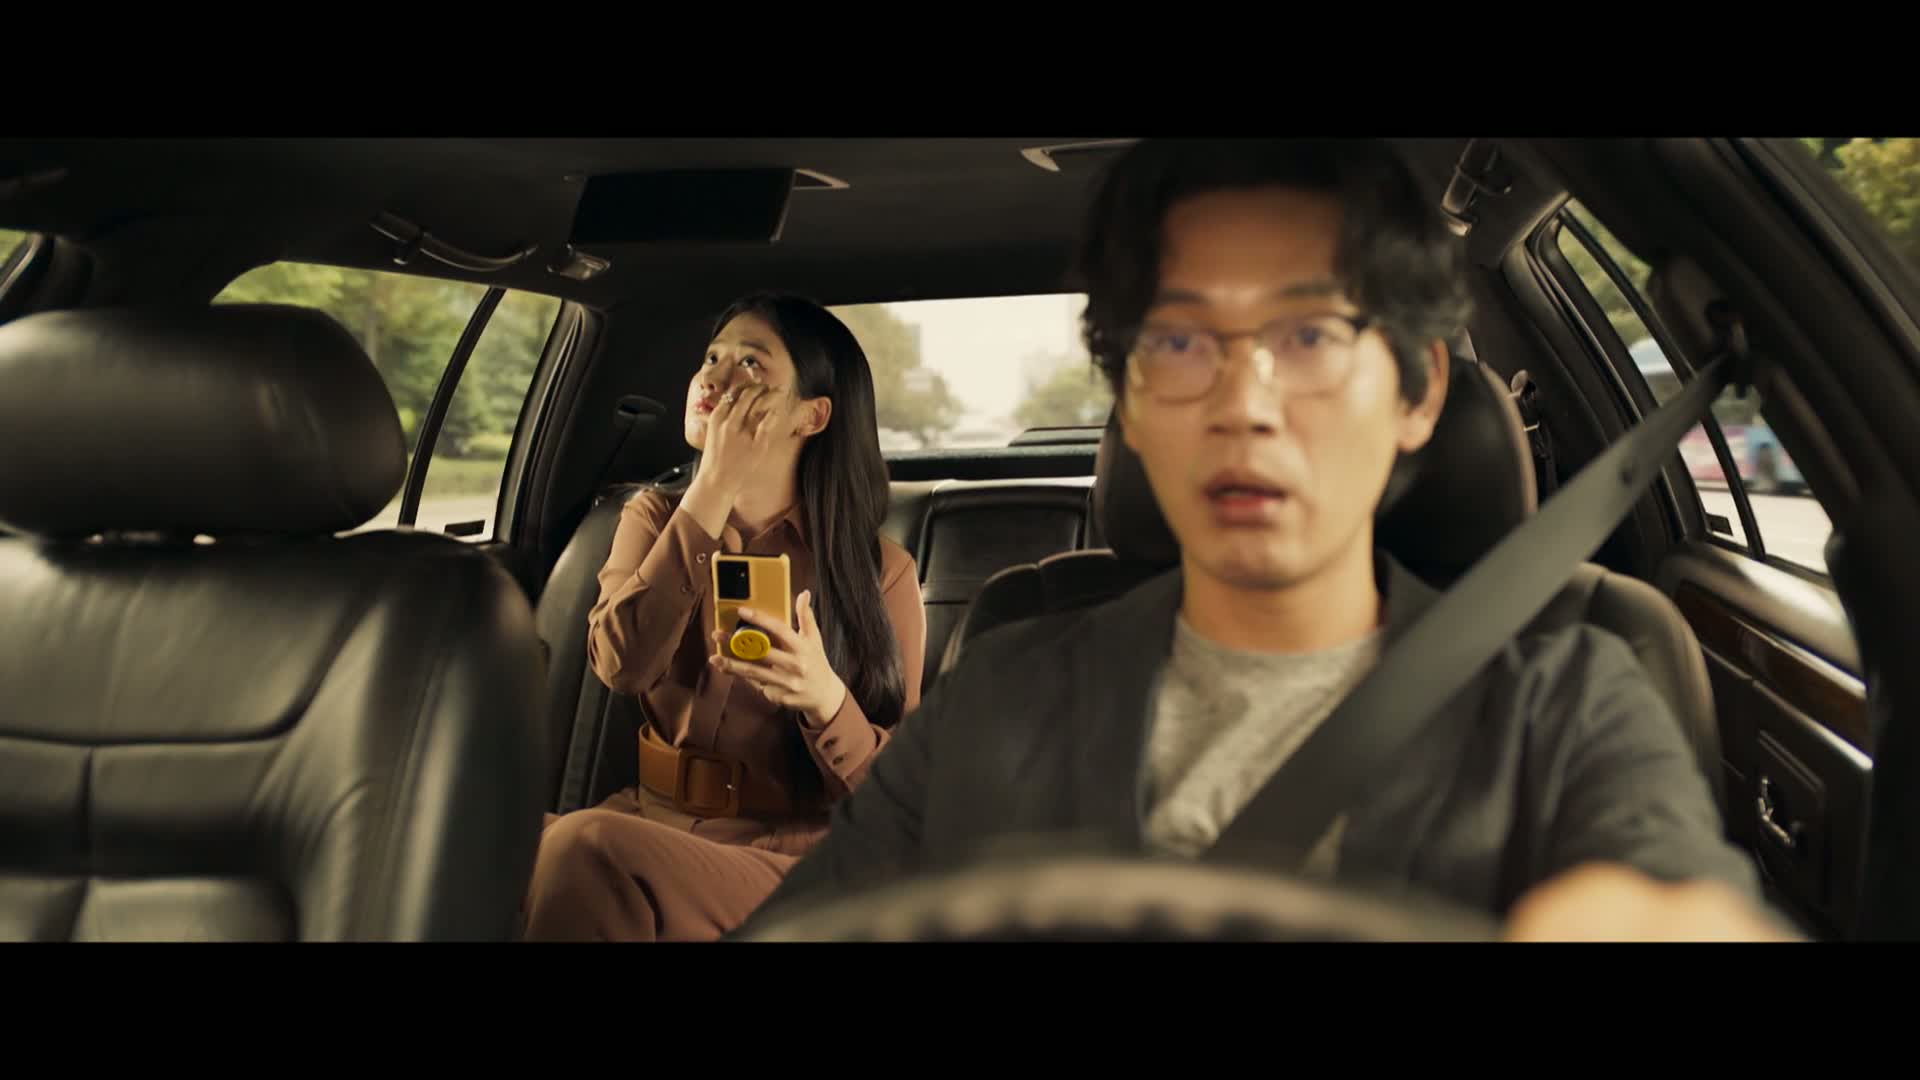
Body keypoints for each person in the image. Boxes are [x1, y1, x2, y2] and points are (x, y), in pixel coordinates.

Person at [734, 138, 1785, 940]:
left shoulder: (1568, 705)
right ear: (1132, 403)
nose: (1244, 404)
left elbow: (1666, 897)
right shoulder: (997, 698)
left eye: (1311, 334)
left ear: (1417, 393)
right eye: (1179, 342)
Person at [522, 293, 926, 942]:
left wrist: (825, 700)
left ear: (812, 416)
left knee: (583, 848)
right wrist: (710, 490)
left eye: (751, 364)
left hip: (795, 857)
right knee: (489, 841)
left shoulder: (881, 571)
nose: (713, 378)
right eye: (712, 358)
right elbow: (621, 665)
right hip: (650, 823)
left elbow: (904, 796)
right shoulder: (651, 519)